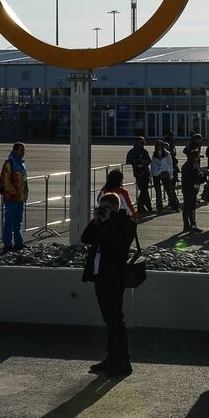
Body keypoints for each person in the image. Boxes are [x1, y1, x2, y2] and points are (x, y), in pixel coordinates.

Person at [81, 192, 137, 377]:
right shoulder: (102, 223)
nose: (102, 211)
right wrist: (97, 221)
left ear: (114, 208)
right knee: (109, 321)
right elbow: (86, 238)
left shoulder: (126, 223)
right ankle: (112, 358)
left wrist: (107, 221)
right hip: (99, 277)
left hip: (114, 278)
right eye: (100, 207)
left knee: (116, 321)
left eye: (105, 208)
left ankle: (123, 363)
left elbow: (116, 246)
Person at [0, 143, 29, 251]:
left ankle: (19, 243)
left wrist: (24, 194)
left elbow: (24, 181)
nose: (23, 153)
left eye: (24, 151)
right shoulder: (9, 163)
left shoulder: (22, 163)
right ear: (15, 151)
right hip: (11, 198)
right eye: (21, 150)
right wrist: (14, 193)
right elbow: (6, 181)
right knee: (9, 222)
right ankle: (7, 244)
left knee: (18, 221)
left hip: (20, 198)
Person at [126, 137, 153, 215]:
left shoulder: (144, 151)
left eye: (143, 142)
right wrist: (137, 163)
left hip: (145, 172)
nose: (142, 144)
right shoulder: (132, 151)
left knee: (144, 190)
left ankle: (141, 207)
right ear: (137, 142)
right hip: (138, 173)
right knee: (144, 190)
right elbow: (128, 160)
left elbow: (148, 160)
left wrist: (143, 163)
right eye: (141, 142)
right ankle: (148, 207)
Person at [151, 141, 180, 212]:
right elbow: (152, 165)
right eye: (159, 145)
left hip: (165, 173)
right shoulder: (154, 154)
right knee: (158, 192)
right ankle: (159, 207)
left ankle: (175, 206)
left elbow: (170, 164)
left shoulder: (167, 153)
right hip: (156, 174)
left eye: (161, 145)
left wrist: (171, 175)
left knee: (169, 190)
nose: (160, 146)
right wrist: (151, 176)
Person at [179, 152, 203, 232]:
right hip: (190, 189)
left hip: (189, 189)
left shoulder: (192, 164)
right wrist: (199, 176)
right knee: (190, 207)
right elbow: (191, 177)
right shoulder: (190, 165)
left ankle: (188, 225)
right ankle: (191, 225)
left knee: (188, 207)